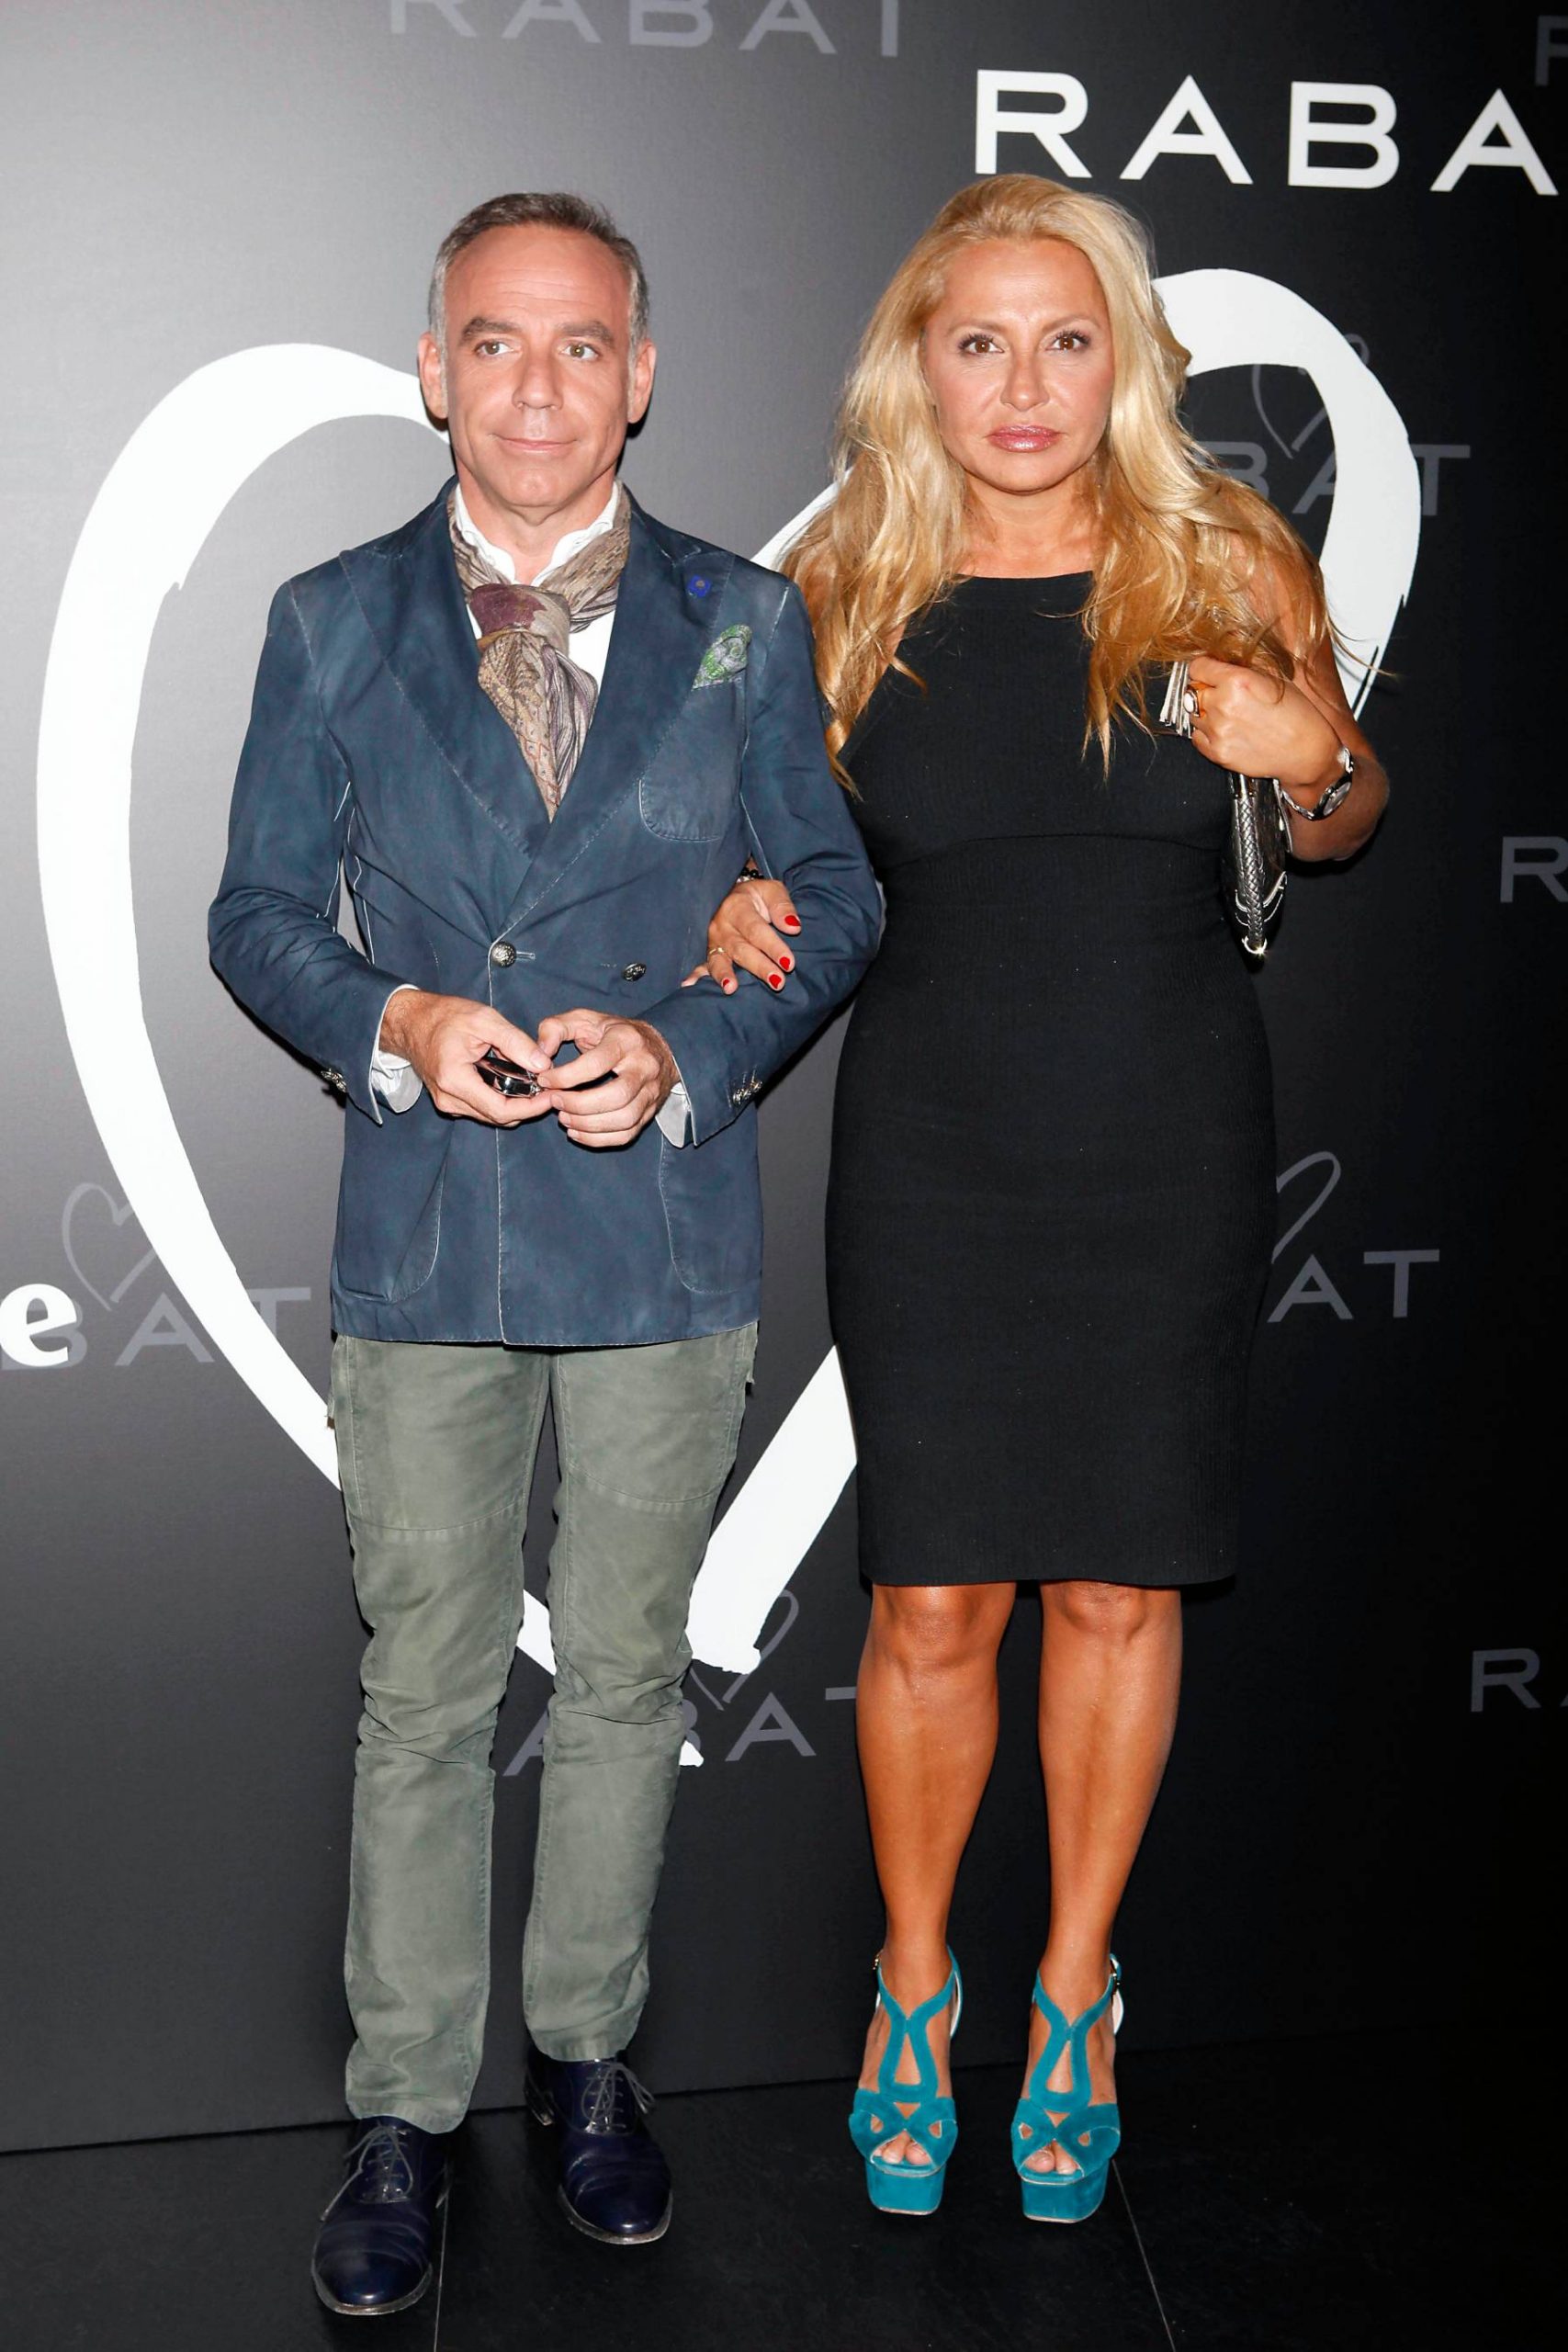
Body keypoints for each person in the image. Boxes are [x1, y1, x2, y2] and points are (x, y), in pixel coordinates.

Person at [693, 174, 1387, 2223]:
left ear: (1123, 360)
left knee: (1114, 1584)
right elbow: (782, 869)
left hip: (1160, 1131)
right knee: (927, 1596)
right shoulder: (842, 584)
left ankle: (1072, 1988)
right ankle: (918, 1984)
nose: (1020, 381)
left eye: (1063, 337)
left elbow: (1341, 815)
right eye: (976, 339)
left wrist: (1310, 741)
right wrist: (743, 895)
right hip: (933, 1137)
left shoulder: (1221, 551)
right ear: (916, 362)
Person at [209, 190, 880, 2313]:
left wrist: (685, 1041)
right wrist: (396, 1021)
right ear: (432, 370)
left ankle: (588, 2065)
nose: (533, 381)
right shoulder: (326, 617)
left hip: (659, 1224)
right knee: (418, 1694)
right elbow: (252, 917)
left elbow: (836, 898)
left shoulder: (742, 621)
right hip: (422, 1227)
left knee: (615, 1683)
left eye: (578, 343)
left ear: (641, 375)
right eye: (492, 341)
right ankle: (401, 2107)